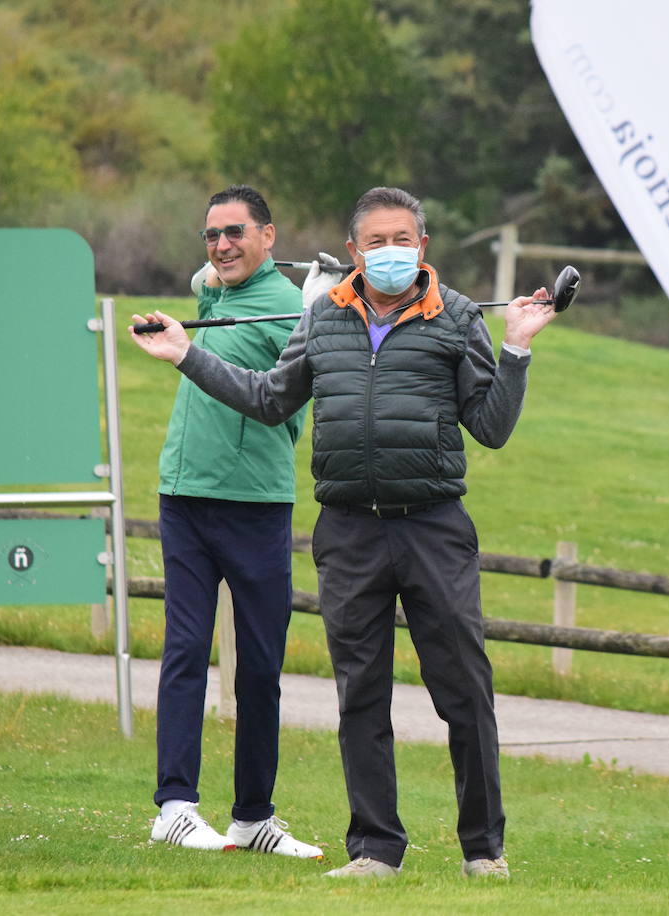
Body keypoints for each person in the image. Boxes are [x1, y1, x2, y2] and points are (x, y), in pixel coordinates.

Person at [130, 186, 559, 880]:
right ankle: (375, 851)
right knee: (361, 695)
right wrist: (187, 355)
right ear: (354, 251)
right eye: (377, 241)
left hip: (434, 528)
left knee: (463, 691)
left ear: (422, 247)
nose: (391, 251)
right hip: (349, 533)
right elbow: (270, 399)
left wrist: (515, 349)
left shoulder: (453, 318)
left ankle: (484, 848)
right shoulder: (324, 319)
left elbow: (492, 427)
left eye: (404, 239)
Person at [147, 184, 331, 857]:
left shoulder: (293, 311)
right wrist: (211, 274)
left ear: (270, 236)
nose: (221, 245)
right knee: (187, 648)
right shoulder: (215, 293)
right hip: (185, 495)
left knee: (258, 665)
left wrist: (188, 352)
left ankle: (253, 817)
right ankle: (174, 806)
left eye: (235, 233)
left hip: (256, 503)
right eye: (212, 234)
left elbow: (273, 404)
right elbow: (206, 278)